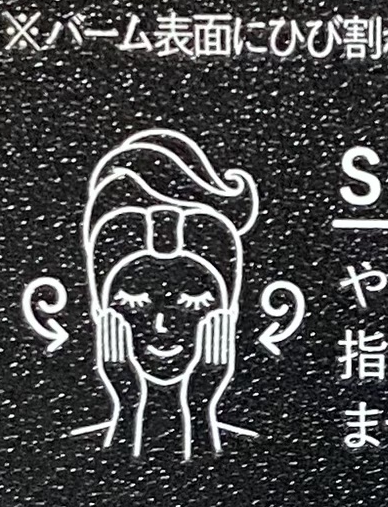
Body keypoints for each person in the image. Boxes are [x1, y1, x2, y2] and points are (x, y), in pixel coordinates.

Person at [76, 127, 259, 460]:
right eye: (134, 303)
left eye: (192, 303)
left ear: (225, 316)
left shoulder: (250, 448)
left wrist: (201, 408)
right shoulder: (77, 447)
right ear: (102, 314)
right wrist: (127, 404)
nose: (162, 325)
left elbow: (221, 485)